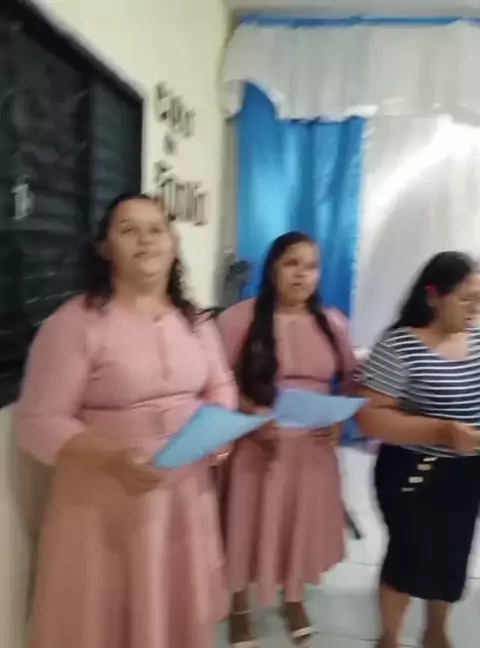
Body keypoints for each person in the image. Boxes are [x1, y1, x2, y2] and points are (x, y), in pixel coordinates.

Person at [16, 193, 237, 648]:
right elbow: (39, 420)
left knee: (175, 613)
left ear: (173, 243)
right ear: (105, 248)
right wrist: (113, 457)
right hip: (105, 502)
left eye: (156, 229)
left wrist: (219, 433)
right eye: (128, 230)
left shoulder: (195, 321)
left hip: (185, 496)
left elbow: (221, 386)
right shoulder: (74, 324)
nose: (145, 240)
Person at [216, 232, 358, 647]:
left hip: (311, 450)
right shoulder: (238, 319)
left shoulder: (333, 322)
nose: (302, 274)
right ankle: (238, 604)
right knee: (246, 526)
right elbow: (217, 381)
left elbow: (352, 380)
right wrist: (250, 416)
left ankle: (293, 596)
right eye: (292, 263)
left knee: (298, 526)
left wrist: (340, 419)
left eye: (311, 266)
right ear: (273, 268)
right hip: (257, 444)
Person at [357, 251, 480, 648]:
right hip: (413, 471)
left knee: (452, 554)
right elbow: (371, 418)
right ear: (432, 296)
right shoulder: (399, 345)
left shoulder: (477, 339)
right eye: (466, 299)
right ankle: (390, 637)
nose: (475, 309)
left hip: (466, 472)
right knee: (408, 556)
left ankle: (436, 631)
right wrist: (441, 431)